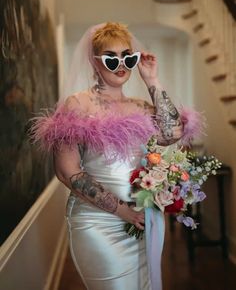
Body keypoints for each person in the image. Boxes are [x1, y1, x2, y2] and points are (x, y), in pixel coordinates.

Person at [31, 22, 184, 290]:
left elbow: (173, 133)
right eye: (111, 59)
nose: (122, 64)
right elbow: (67, 172)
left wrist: (151, 80)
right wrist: (122, 211)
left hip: (140, 219)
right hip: (97, 221)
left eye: (128, 56)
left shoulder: (140, 107)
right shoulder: (77, 104)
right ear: (94, 62)